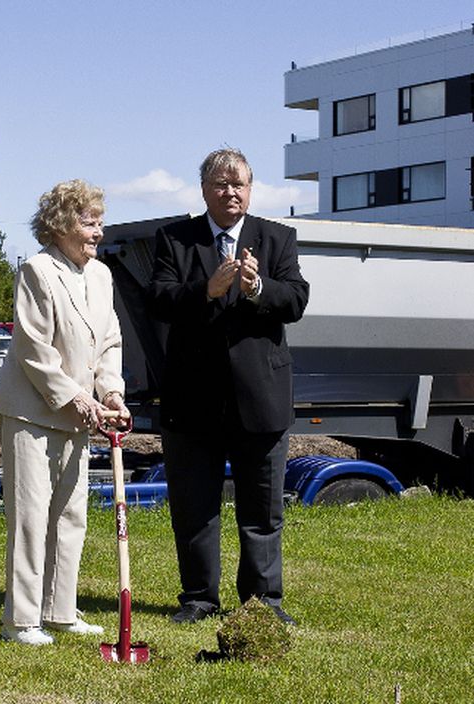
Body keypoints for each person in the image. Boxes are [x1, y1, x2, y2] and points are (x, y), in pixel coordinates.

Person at [147, 148, 309, 626]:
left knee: (261, 511)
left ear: (251, 189)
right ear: (204, 190)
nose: (230, 192)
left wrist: (258, 290)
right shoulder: (175, 240)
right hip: (193, 402)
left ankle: (264, 604)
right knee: (195, 508)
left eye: (239, 184)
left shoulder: (276, 239)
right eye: (221, 184)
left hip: (260, 400)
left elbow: (296, 299)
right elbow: (157, 298)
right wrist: (207, 290)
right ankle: (198, 598)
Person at [0, 179, 129, 646]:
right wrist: (75, 396)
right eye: (90, 223)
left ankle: (61, 611)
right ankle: (21, 620)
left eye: (99, 223)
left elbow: (109, 343)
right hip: (31, 413)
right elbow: (32, 348)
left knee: (71, 516)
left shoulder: (102, 276)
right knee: (30, 517)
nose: (98, 233)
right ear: (63, 224)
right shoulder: (37, 270)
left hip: (80, 415)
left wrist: (110, 393)